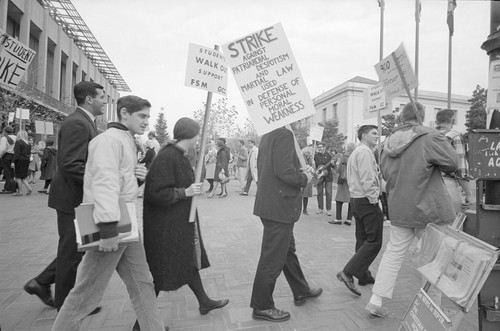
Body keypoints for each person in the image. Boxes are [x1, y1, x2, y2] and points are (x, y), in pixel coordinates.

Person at [51, 95, 166, 331]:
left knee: (143, 283)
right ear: (124, 113)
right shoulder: (108, 141)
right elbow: (104, 185)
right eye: (142, 116)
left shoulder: (124, 140)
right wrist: (108, 229)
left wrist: (136, 179)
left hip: (124, 223)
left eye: (148, 117)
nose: (146, 122)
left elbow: (118, 184)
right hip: (111, 226)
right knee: (84, 294)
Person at [366, 102, 458, 317]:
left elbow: (386, 174)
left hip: (400, 207)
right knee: (433, 258)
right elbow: (452, 163)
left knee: (393, 253)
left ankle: (375, 299)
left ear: (402, 118)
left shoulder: (387, 141)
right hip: (429, 209)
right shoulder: (430, 136)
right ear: (422, 117)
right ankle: (431, 306)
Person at [135, 117, 229, 331]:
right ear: (192, 135)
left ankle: (204, 302)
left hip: (177, 224)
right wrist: (185, 192)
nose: (200, 138)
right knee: (160, 274)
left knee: (187, 261)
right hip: (166, 228)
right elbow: (155, 193)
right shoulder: (168, 156)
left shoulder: (178, 155)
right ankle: (141, 326)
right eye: (199, 134)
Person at [24, 81, 104, 311]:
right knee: (72, 252)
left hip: (80, 198)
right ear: (89, 99)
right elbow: (70, 164)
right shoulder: (78, 123)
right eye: (101, 97)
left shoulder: (85, 121)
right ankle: (67, 306)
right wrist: (101, 182)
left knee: (79, 248)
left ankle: (40, 283)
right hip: (72, 200)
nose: (104, 101)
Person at [250, 126, 322, 322]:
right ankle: (262, 305)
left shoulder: (267, 134)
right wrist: (304, 177)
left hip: (272, 204)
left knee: (286, 251)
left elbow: (275, 168)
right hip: (279, 206)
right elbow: (284, 172)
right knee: (272, 257)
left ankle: (301, 290)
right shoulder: (284, 134)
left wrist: (298, 168)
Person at [336, 125, 382, 297]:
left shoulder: (357, 151)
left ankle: (363, 275)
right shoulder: (364, 152)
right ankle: (348, 272)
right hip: (365, 200)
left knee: (362, 239)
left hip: (356, 199)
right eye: (374, 133)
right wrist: (374, 199)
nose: (377, 136)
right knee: (374, 241)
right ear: (364, 136)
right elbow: (368, 178)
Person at [435, 108, 473, 213]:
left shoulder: (428, 137)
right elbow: (460, 169)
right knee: (451, 226)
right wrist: (469, 194)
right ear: (453, 121)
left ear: (436, 122)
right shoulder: (454, 137)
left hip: (426, 188)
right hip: (447, 186)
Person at [331, 143, 356, 225]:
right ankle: (349, 219)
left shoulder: (345, 157)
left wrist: (333, 165)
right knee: (350, 200)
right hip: (353, 180)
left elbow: (339, 169)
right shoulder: (356, 156)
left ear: (348, 149)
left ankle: (338, 218)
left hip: (344, 180)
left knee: (339, 199)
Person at [314, 142, 333, 216]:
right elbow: (315, 166)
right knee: (319, 192)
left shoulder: (330, 155)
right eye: (318, 147)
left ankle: (328, 209)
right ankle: (320, 208)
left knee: (328, 193)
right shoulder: (315, 156)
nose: (319, 149)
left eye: (320, 147)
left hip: (328, 176)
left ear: (324, 147)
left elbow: (333, 166)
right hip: (319, 176)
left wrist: (334, 163)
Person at [12, 130, 32, 196]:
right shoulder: (28, 143)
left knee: (18, 176)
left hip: (20, 160)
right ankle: (29, 187)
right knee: (23, 176)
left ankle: (20, 191)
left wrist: (13, 161)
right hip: (26, 160)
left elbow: (17, 153)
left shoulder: (19, 142)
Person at [0, 126, 17, 193]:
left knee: (7, 172)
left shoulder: (4, 138)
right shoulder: (16, 137)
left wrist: (0, 155)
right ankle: (12, 186)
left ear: (5, 132)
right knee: (12, 172)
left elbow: (3, 149)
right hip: (14, 155)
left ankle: (8, 187)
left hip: (7, 155)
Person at [301, 147, 315, 215]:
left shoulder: (311, 159)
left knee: (306, 195)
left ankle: (305, 209)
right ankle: (298, 208)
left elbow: (313, 167)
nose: (308, 154)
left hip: (308, 177)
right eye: (307, 152)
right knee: (300, 194)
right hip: (302, 176)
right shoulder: (301, 158)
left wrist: (312, 167)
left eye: (309, 153)